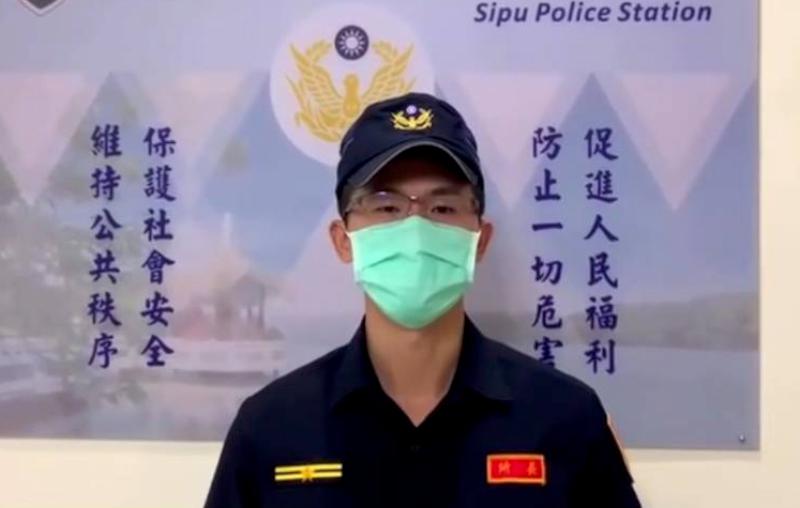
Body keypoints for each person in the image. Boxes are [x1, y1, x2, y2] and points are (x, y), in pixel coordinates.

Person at [204, 92, 642, 507]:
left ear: (480, 239)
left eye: (442, 208)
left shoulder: (565, 418)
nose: (415, 229)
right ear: (343, 240)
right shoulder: (270, 427)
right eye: (386, 207)